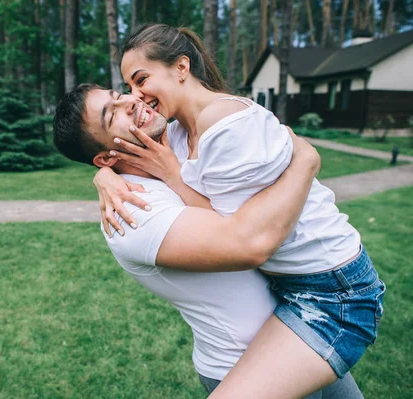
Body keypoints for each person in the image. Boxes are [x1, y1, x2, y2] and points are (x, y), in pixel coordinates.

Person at [91, 24, 385, 398]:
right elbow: (119, 148)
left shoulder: (225, 123)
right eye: (129, 88)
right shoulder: (182, 130)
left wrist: (170, 172)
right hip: (294, 287)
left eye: (140, 80)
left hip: (335, 288)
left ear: (181, 67)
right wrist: (104, 174)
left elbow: (237, 232)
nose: (137, 97)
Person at [53, 84, 363, 398]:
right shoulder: (132, 212)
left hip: (302, 324)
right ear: (105, 157)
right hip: (246, 362)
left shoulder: (175, 141)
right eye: (111, 115)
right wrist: (306, 161)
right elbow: (250, 243)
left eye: (119, 95)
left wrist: (103, 175)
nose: (130, 103)